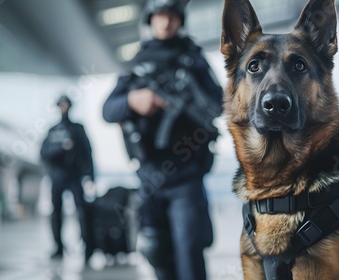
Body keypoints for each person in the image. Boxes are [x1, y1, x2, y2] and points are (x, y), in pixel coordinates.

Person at [102, 0, 223, 279]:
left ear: (180, 20)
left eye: (172, 16)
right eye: (160, 16)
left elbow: (219, 104)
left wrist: (190, 93)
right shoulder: (138, 61)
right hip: (149, 176)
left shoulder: (193, 59)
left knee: (189, 252)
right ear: (150, 19)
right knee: (156, 252)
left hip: (186, 176)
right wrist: (134, 99)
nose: (166, 22)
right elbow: (108, 110)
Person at [40, 95, 95, 263]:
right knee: (56, 213)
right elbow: (44, 154)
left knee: (83, 211)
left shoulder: (78, 129)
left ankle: (88, 248)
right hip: (57, 177)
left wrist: (91, 177)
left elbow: (88, 152)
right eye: (61, 104)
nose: (63, 107)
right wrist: (62, 148)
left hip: (75, 176)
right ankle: (58, 248)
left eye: (66, 104)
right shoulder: (53, 130)